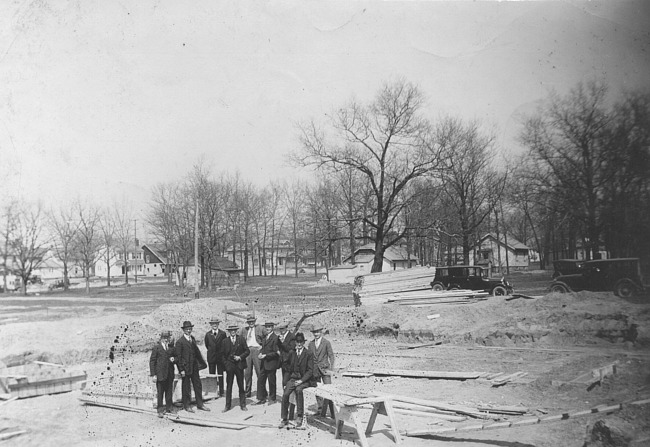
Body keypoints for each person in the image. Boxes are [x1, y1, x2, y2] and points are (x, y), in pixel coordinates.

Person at [279, 332, 315, 429]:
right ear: (295, 342)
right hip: (293, 378)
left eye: (301, 342)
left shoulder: (308, 353)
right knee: (286, 394)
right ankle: (284, 418)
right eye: (297, 342)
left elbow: (310, 371)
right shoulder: (292, 352)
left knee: (299, 390)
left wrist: (302, 380)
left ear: (304, 342)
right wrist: (285, 382)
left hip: (305, 380)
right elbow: (286, 367)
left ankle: (299, 416)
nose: (299, 344)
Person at [175, 320, 210, 413]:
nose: (189, 331)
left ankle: (200, 404)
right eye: (187, 329)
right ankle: (187, 405)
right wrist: (181, 370)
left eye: (190, 329)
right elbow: (178, 357)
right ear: (184, 330)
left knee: (198, 385)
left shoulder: (192, 339)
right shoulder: (180, 342)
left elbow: (197, 352)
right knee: (186, 387)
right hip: (185, 368)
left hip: (194, 367)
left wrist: (201, 363)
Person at [221, 324, 250, 412]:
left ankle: (243, 404)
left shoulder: (241, 339)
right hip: (230, 366)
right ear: (229, 332)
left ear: (236, 331)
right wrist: (226, 365)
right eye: (231, 330)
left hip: (239, 366)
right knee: (229, 386)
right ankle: (227, 405)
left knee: (241, 385)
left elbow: (247, 351)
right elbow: (222, 355)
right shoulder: (225, 341)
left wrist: (240, 357)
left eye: (234, 330)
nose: (233, 332)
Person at [307, 327, 335, 414]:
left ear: (321, 332)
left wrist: (331, 369)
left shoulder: (326, 343)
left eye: (318, 332)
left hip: (325, 369)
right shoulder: (311, 344)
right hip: (315, 370)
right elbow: (309, 357)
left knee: (329, 390)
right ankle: (320, 409)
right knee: (317, 390)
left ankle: (332, 411)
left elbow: (331, 356)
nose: (316, 334)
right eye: (314, 332)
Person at [149, 330, 176, 418]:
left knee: (169, 392)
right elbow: (152, 361)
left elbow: (176, 357)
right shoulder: (157, 348)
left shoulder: (171, 348)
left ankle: (169, 407)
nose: (166, 340)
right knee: (160, 392)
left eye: (167, 338)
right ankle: (160, 410)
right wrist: (154, 375)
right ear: (161, 339)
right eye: (164, 338)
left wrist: (174, 359)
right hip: (160, 375)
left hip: (169, 374)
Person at [238, 314, 263, 398]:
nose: (251, 323)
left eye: (252, 321)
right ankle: (247, 392)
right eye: (249, 322)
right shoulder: (244, 330)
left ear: (255, 321)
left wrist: (262, 347)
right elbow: (239, 339)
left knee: (259, 372)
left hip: (257, 350)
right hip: (248, 351)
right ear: (247, 323)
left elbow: (266, 338)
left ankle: (262, 392)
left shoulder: (260, 328)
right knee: (247, 373)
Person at [255, 321, 280, 405]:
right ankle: (261, 398)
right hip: (264, 363)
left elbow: (276, 352)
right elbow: (263, 348)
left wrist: (265, 355)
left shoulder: (276, 338)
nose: (268, 328)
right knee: (260, 380)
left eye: (269, 327)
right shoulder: (264, 337)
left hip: (271, 363)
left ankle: (272, 398)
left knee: (271, 381)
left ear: (272, 327)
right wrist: (261, 353)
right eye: (266, 327)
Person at [204, 316, 227, 397]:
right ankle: (213, 392)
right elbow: (207, 345)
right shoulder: (207, 334)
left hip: (220, 357)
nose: (215, 325)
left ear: (218, 324)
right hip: (211, 357)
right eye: (213, 323)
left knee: (220, 374)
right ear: (211, 325)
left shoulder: (223, 333)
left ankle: (221, 391)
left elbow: (225, 344)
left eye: (216, 323)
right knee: (212, 374)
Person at [277, 322, 295, 388]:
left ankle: (289, 397)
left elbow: (291, 349)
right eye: (280, 329)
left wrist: (283, 342)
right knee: (284, 380)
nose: (282, 330)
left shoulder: (292, 336)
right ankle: (286, 396)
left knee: (287, 380)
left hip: (289, 362)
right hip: (283, 362)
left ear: (286, 328)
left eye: (283, 328)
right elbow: (278, 346)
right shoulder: (280, 336)